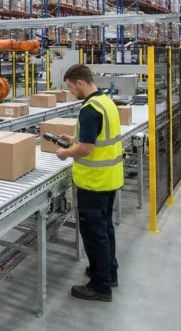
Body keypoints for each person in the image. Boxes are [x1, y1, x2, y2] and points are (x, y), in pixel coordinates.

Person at [54, 63, 123, 302]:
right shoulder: (106, 102)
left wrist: (66, 152)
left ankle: (99, 286)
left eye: (71, 87)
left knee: (94, 234)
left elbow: (86, 148)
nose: (71, 91)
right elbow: (98, 136)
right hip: (110, 178)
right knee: (105, 228)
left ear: (80, 83)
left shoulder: (89, 108)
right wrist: (74, 138)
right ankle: (108, 272)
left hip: (93, 182)